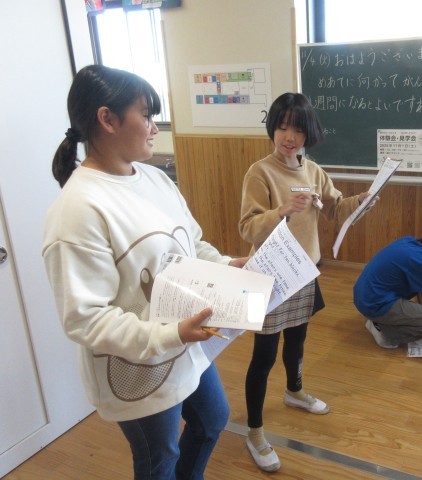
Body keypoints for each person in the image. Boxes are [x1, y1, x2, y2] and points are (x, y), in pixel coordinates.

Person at [42, 65, 247, 480]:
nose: (155, 128)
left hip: (185, 346)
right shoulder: (78, 209)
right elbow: (85, 319)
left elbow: (191, 242)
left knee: (212, 421)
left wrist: (226, 265)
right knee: (159, 459)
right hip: (137, 369)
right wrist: (171, 335)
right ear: (108, 119)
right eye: (147, 115)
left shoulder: (154, 178)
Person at [238, 92, 377, 472]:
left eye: (298, 130)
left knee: (298, 339)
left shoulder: (313, 171)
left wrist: (362, 201)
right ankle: (254, 431)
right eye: (283, 127)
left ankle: (294, 391)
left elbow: (335, 209)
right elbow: (247, 227)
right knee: (264, 356)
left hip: (304, 272)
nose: (289, 137)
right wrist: (282, 211)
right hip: (270, 275)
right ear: (273, 128)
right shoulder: (260, 172)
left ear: (307, 134)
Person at [353, 225, 422, 349]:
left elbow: (421, 292)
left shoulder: (409, 241)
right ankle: (384, 333)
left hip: (363, 297)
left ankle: (378, 321)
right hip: (374, 304)